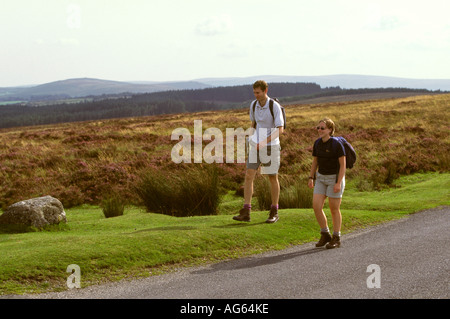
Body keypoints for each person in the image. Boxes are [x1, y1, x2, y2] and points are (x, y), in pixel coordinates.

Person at [233, 80, 284, 223]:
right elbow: (254, 123)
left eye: (258, 92)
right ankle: (246, 211)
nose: (255, 95)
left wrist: (264, 142)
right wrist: (251, 138)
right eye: (254, 92)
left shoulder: (274, 106)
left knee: (272, 177)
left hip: (271, 146)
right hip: (255, 145)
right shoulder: (254, 104)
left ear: (265, 91)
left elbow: (280, 130)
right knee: (249, 175)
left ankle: (274, 211)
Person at [308, 118, 346, 249]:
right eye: (318, 128)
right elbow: (315, 162)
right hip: (321, 178)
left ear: (330, 130)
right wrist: (311, 177)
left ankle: (336, 237)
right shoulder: (317, 143)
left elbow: (343, 165)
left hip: (334, 178)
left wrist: (338, 183)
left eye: (322, 128)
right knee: (316, 206)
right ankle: (325, 234)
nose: (319, 130)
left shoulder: (336, 144)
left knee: (334, 209)